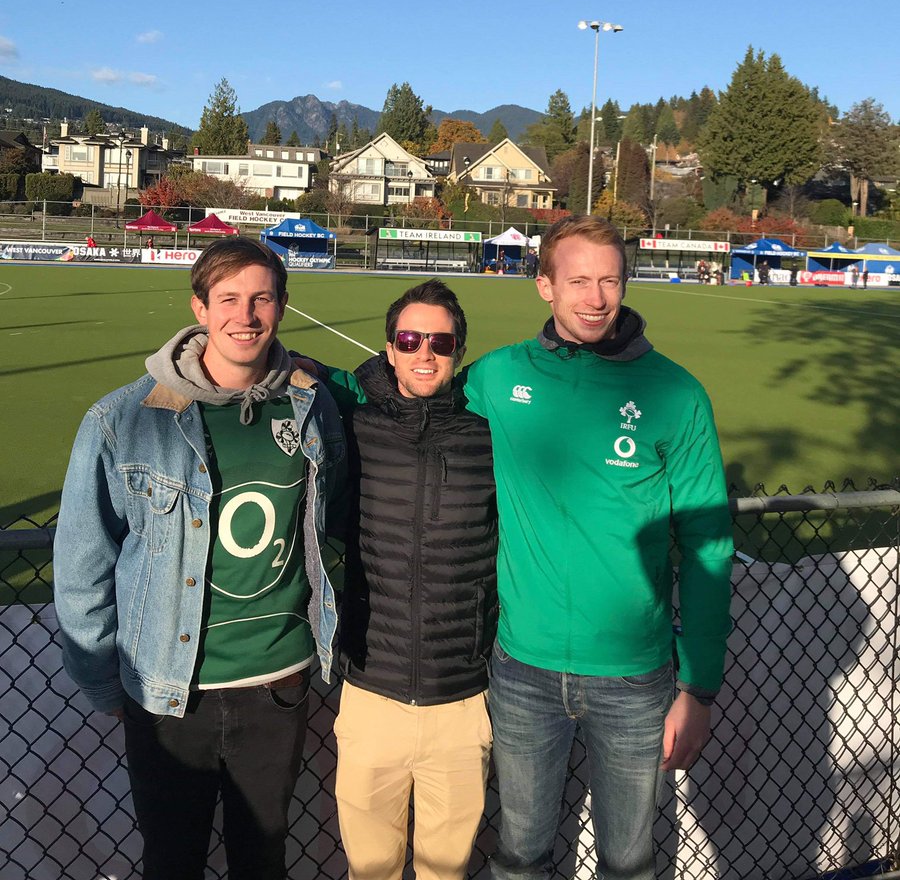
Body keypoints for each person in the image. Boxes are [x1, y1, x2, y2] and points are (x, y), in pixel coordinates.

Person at [53, 237, 346, 880]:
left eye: (261, 298)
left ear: (282, 306)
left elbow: (334, 525)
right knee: (172, 860)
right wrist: (103, 681)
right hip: (169, 695)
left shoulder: (311, 405)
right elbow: (82, 569)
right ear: (199, 307)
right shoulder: (122, 419)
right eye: (229, 299)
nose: (245, 316)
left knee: (262, 859)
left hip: (279, 685)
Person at [463, 215, 733, 880]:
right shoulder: (497, 378)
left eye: (609, 279)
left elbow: (708, 545)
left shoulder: (676, 394)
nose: (595, 297)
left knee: (629, 862)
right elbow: (411, 395)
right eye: (578, 280)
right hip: (522, 669)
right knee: (521, 856)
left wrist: (698, 689)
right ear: (544, 287)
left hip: (636, 682)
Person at [304, 279, 496, 880]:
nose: (424, 353)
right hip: (370, 694)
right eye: (410, 339)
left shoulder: (489, 436)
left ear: (459, 352)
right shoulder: (356, 426)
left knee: (448, 871)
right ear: (388, 348)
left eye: (440, 341)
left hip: (462, 701)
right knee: (372, 869)